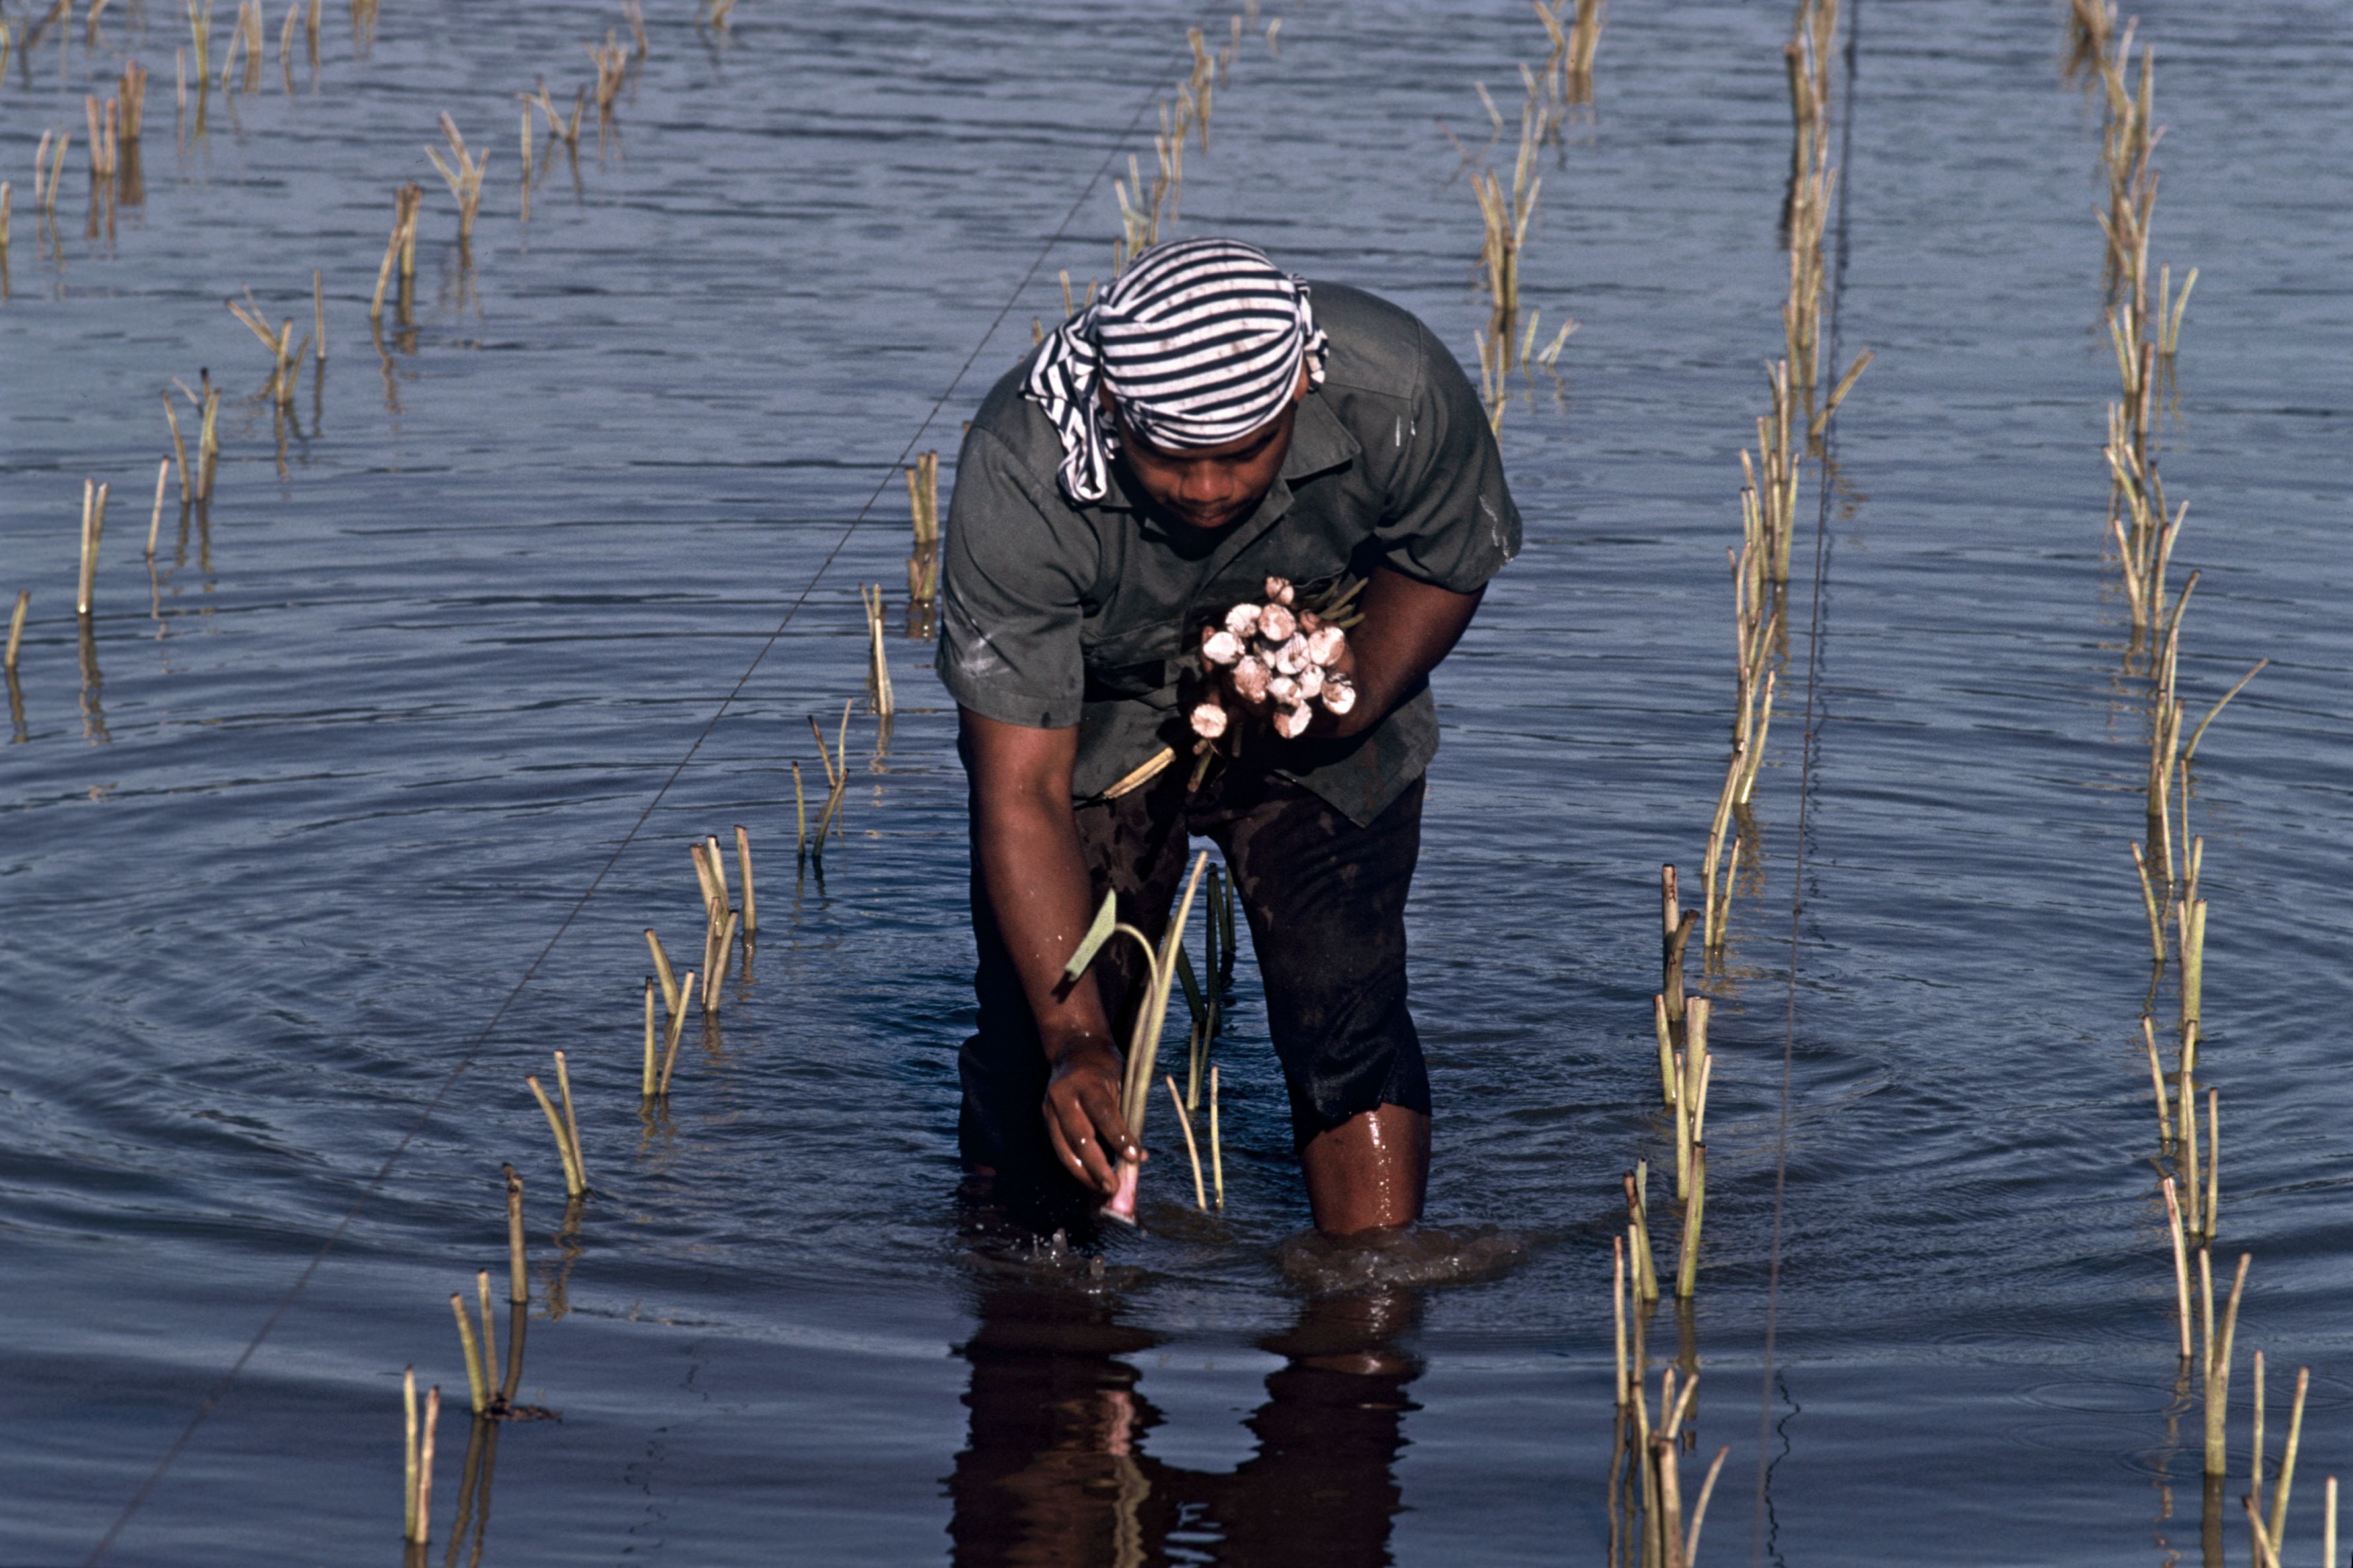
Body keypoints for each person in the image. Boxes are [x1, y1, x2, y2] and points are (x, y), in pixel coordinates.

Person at [937, 236, 1519, 1234]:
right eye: (1169, 457)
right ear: (1113, 413)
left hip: (1322, 680)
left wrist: (1351, 690)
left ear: (1296, 390)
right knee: (1048, 1037)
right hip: (1098, 723)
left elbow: (1447, 558)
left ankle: (1366, 1298)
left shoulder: (1399, 387)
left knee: (1346, 1009)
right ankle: (1034, 1304)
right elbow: (1022, 789)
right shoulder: (1023, 469)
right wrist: (1076, 1039)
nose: (1206, 488)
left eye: (1245, 451)